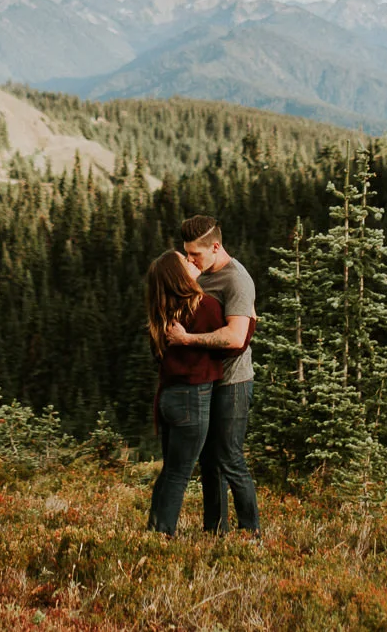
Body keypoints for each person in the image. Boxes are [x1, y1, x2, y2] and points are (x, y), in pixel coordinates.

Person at [166, 214, 259, 537]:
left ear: (216, 246)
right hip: (205, 379)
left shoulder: (236, 280)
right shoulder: (199, 274)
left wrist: (187, 340)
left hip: (232, 381)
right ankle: (215, 531)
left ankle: (250, 532)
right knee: (209, 459)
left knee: (230, 457)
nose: (189, 260)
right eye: (186, 253)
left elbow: (235, 337)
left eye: (195, 254)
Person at [143, 248, 226, 535]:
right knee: (179, 474)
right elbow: (234, 342)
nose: (191, 261)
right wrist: (250, 318)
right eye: (184, 261)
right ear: (178, 276)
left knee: (170, 470)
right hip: (193, 397)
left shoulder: (162, 312)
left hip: (169, 398)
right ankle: (162, 534)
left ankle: (155, 529)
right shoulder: (204, 307)